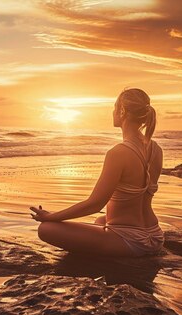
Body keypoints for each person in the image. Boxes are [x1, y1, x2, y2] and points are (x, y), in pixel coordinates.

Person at [29, 88, 163, 257]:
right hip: (155, 235)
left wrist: (51, 217)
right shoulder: (156, 149)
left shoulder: (119, 153)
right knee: (102, 220)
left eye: (115, 107)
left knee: (46, 229)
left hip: (131, 241)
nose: (112, 111)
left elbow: (95, 204)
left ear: (122, 111)